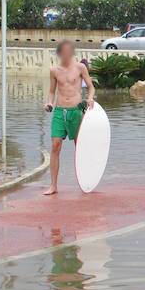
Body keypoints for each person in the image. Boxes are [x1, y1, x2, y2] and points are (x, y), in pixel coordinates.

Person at [43, 41, 95, 195]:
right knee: (55, 145)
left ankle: (86, 182)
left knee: (79, 147)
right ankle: (53, 186)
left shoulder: (80, 67)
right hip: (59, 112)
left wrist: (90, 98)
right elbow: (52, 91)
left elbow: (91, 87)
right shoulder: (54, 70)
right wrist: (49, 103)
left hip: (76, 111)